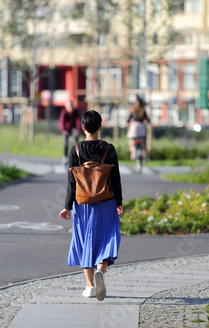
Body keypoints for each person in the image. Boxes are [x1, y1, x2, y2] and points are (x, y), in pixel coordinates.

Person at [59, 110, 123, 301]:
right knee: (106, 238)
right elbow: (116, 178)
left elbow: (72, 181)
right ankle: (101, 271)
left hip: (82, 204)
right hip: (106, 201)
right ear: (100, 127)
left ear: (83, 127)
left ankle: (89, 286)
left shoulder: (75, 150)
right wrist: (118, 202)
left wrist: (67, 206)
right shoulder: (109, 149)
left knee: (85, 241)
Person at [126, 96, 150, 160]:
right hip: (142, 127)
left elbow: (129, 120)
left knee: (131, 139)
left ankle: (133, 153)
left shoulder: (133, 110)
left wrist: (127, 123)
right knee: (142, 143)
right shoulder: (143, 110)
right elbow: (147, 120)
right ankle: (145, 156)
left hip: (134, 127)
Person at [59, 100, 81, 164]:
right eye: (69, 106)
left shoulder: (76, 112)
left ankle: (77, 156)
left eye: (72, 106)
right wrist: (64, 130)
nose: (71, 107)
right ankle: (65, 157)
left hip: (73, 128)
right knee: (65, 142)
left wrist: (78, 130)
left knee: (77, 140)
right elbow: (61, 122)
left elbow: (78, 121)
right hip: (66, 129)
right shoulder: (64, 112)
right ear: (66, 107)